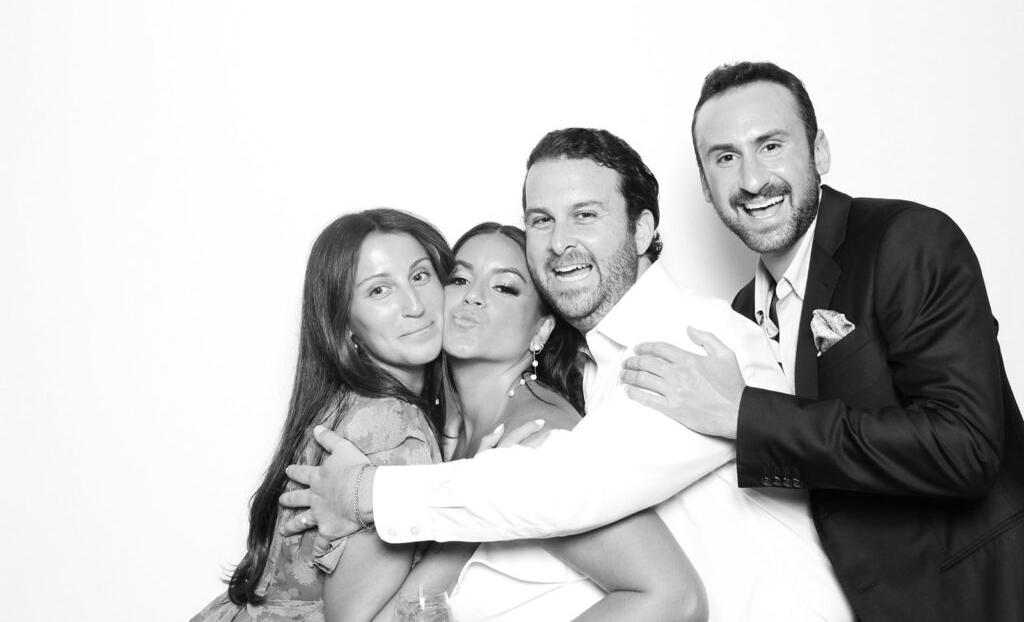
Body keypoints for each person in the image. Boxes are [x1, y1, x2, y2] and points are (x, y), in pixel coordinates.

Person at [280, 129, 855, 620]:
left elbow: (570, 489)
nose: (559, 242)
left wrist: (364, 491)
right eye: (542, 220)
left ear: (642, 230)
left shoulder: (691, 339)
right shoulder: (589, 372)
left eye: (586, 215)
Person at [621, 61, 1024, 621]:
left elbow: (965, 447)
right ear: (706, 188)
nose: (752, 180)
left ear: (820, 152)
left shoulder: (906, 240)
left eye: (770, 146)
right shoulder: (738, 315)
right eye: (725, 158)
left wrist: (743, 415)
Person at [378, 222, 707, 621]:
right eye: (460, 279)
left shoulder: (541, 437)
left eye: (504, 287)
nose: (473, 296)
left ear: (542, 329)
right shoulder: (440, 434)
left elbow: (675, 598)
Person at [192, 209, 450, 622]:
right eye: (379, 290)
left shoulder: (351, 404)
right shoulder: (391, 426)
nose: (415, 306)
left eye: (420, 276)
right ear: (345, 324)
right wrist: (470, 537)